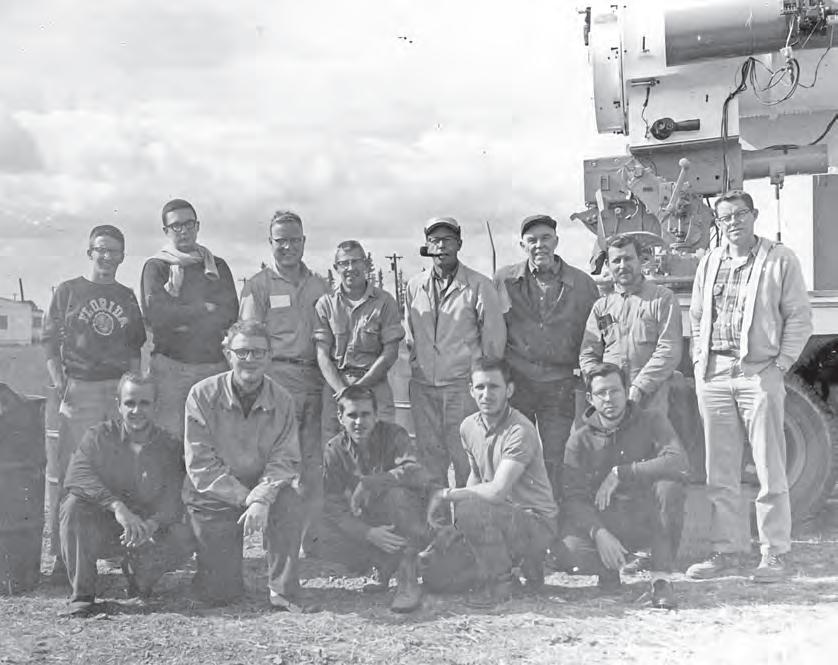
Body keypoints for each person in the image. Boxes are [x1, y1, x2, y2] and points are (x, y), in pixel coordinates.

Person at [686, 189, 812, 583]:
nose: (733, 223)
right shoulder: (710, 261)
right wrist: (699, 364)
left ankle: (774, 553)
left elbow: (799, 317)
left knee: (769, 466)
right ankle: (727, 550)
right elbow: (696, 316)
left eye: (740, 214)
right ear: (718, 223)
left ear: (754, 215)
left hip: (758, 373)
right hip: (715, 374)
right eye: (725, 217)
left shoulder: (779, 259)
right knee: (720, 469)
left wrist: (781, 365)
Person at [43, 224, 147, 577]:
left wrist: (132, 391)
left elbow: (134, 348)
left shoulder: (126, 295)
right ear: (90, 252)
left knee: (117, 468)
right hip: (81, 388)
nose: (106, 256)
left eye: (113, 251)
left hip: (116, 390)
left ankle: (113, 548)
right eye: (101, 249)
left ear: (122, 256)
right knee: (73, 470)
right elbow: (49, 342)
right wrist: (61, 384)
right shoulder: (68, 291)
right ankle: (63, 556)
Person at [182, 320, 304, 609]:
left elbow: (285, 459)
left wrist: (262, 497)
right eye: (242, 352)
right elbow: (201, 464)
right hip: (213, 492)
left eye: (258, 352)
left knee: (291, 500)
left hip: (262, 487)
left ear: (270, 356)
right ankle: (213, 574)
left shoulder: (283, 400)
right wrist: (248, 498)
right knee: (220, 595)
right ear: (228, 355)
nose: (250, 359)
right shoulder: (201, 394)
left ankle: (281, 590)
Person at [553, 363, 689, 610]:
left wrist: (622, 472)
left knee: (670, 488)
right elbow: (573, 497)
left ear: (626, 391)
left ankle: (661, 580)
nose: (609, 399)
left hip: (644, 518)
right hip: (606, 521)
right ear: (590, 399)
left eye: (615, 391)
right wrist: (598, 533)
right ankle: (608, 572)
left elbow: (678, 461)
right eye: (601, 393)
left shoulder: (651, 420)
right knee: (568, 551)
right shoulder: (579, 440)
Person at [426, 359, 558, 607]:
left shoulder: (520, 429)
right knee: (437, 577)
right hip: (497, 520)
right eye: (480, 387)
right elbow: (476, 478)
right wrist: (459, 528)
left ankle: (502, 583)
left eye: (494, 387)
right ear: (470, 390)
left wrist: (447, 494)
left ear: (509, 390)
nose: (486, 394)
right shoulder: (468, 426)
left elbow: (497, 491)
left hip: (535, 523)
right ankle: (518, 567)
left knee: (469, 508)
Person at [59, 372, 193, 617]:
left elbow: (174, 497)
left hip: (147, 531)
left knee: (185, 532)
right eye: (129, 403)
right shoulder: (99, 436)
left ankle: (140, 574)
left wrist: (152, 524)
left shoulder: (170, 445)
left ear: (156, 406)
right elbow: (77, 476)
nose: (136, 410)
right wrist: (117, 507)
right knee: (73, 506)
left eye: (144, 403)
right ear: (118, 405)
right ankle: (82, 595)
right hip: (108, 528)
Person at [239, 210, 329, 553]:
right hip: (275, 382)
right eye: (281, 241)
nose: (288, 247)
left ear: (304, 242)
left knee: (312, 463)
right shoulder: (257, 286)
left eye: (294, 240)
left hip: (313, 382)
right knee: (275, 464)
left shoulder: (319, 286)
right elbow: (248, 339)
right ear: (270, 243)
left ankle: (311, 540)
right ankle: (275, 541)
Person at [494, 214, 599, 497]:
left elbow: (594, 334)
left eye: (545, 238)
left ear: (556, 241)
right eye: (532, 240)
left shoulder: (583, 284)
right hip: (518, 382)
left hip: (559, 384)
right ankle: (521, 510)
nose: (539, 245)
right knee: (516, 450)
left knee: (555, 454)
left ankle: (553, 511)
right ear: (522, 245)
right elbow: (492, 328)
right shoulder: (504, 280)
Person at [404, 216, 506, 487]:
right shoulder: (414, 285)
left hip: (462, 389)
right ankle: (436, 514)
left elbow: (494, 342)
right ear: (427, 246)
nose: (441, 246)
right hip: (424, 389)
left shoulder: (479, 285)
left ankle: (467, 513)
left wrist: (479, 383)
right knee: (429, 461)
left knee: (466, 460)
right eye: (435, 240)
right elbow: (410, 334)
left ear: (459, 244)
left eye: (448, 240)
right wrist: (418, 368)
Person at [319, 385, 435, 613]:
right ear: (340, 418)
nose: (359, 422)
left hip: (409, 516)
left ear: (376, 415)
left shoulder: (394, 434)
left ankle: (408, 578)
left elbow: (415, 470)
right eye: (352, 415)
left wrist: (370, 483)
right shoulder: (334, 449)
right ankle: (381, 563)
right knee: (319, 528)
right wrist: (366, 533)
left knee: (396, 495)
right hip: (369, 520)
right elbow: (332, 504)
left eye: (365, 414)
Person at [141, 198, 238, 439]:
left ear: (197, 226)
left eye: (188, 224)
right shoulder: (156, 267)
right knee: (169, 441)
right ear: (166, 231)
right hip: (170, 369)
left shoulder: (217, 266)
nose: (183, 230)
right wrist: (205, 308)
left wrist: (179, 311)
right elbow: (156, 316)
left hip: (214, 367)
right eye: (176, 226)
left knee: (213, 440)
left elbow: (229, 314)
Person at [579, 233, 682, 414]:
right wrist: (600, 385)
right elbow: (588, 353)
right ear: (608, 265)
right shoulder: (602, 307)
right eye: (616, 261)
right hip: (610, 402)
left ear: (640, 260)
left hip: (652, 399)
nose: (622, 265)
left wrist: (640, 386)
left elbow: (669, 349)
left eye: (628, 259)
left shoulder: (662, 299)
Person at [315, 239, 404, 441]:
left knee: (381, 448)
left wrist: (359, 388)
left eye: (355, 261)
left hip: (374, 386)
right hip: (336, 389)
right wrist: (343, 391)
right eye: (344, 263)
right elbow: (322, 354)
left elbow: (390, 353)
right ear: (336, 268)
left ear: (365, 264)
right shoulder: (325, 304)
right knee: (335, 450)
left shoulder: (385, 302)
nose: (350, 268)